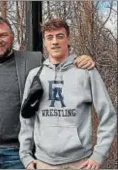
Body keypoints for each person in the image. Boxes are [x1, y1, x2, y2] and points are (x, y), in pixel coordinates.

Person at [0, 16, 95, 169]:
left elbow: (57, 63)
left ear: (12, 37)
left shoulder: (32, 61)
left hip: (19, 153)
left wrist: (81, 59)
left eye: (3, 35)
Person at [19, 18, 117, 169]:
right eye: (49, 37)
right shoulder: (35, 75)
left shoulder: (86, 72)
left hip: (80, 162)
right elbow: (27, 118)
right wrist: (25, 155)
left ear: (68, 39)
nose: (55, 42)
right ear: (44, 42)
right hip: (43, 163)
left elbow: (108, 114)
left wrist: (98, 155)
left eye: (60, 36)